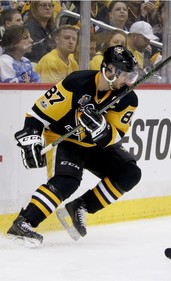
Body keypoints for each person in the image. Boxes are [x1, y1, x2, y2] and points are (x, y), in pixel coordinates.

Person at [7, 45, 142, 247]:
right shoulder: (77, 82)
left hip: (93, 144)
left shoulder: (127, 98)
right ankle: (24, 222)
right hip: (63, 139)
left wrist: (102, 129)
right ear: (109, 70)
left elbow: (115, 135)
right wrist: (33, 136)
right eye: (125, 75)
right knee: (67, 181)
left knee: (130, 172)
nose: (128, 81)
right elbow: (37, 115)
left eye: (131, 76)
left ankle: (81, 206)